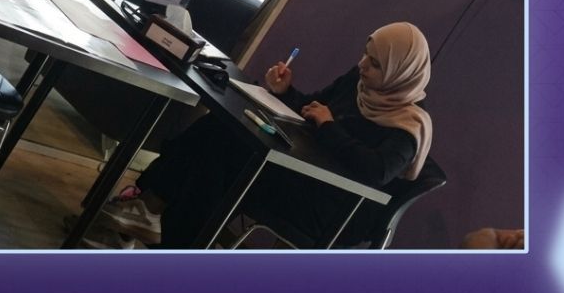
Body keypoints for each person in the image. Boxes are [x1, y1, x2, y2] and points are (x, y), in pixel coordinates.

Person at [99, 22, 433, 248]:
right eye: (365, 54)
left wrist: (329, 127)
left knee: (226, 158)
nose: (362, 65)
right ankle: (152, 209)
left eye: (375, 63)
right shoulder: (357, 84)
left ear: (400, 72)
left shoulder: (409, 125)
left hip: (326, 206)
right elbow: (312, 109)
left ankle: (162, 227)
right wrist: (286, 92)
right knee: (220, 129)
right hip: (299, 174)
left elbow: (376, 171)